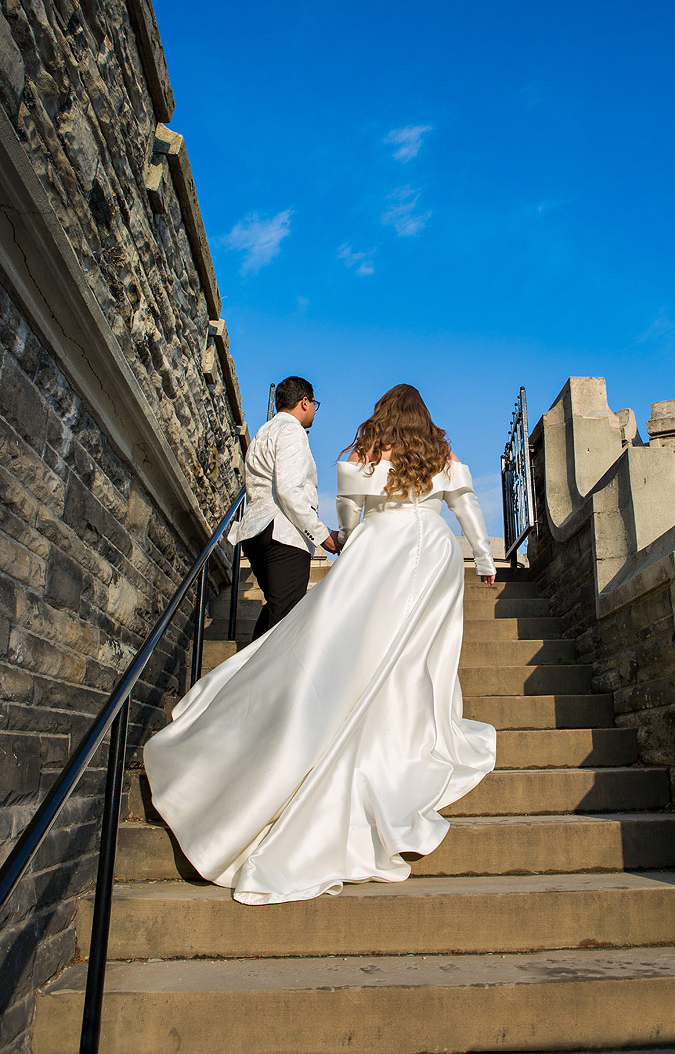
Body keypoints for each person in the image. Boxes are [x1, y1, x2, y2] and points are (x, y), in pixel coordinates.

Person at [144, 384, 498, 905]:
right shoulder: (440, 452)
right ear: (422, 416)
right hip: (435, 549)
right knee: (421, 653)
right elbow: (464, 502)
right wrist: (485, 559)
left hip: (381, 547)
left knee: (358, 646)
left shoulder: (362, 453)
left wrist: (352, 543)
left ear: (380, 414)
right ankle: (414, 730)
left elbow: (349, 508)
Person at [227, 376, 341, 643]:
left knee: (277, 610)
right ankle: (253, 681)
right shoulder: (292, 432)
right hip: (282, 535)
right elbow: (289, 490)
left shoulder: (263, 432)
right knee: (285, 621)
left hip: (255, 532)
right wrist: (322, 534)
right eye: (314, 403)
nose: (314, 409)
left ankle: (247, 673)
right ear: (304, 402)